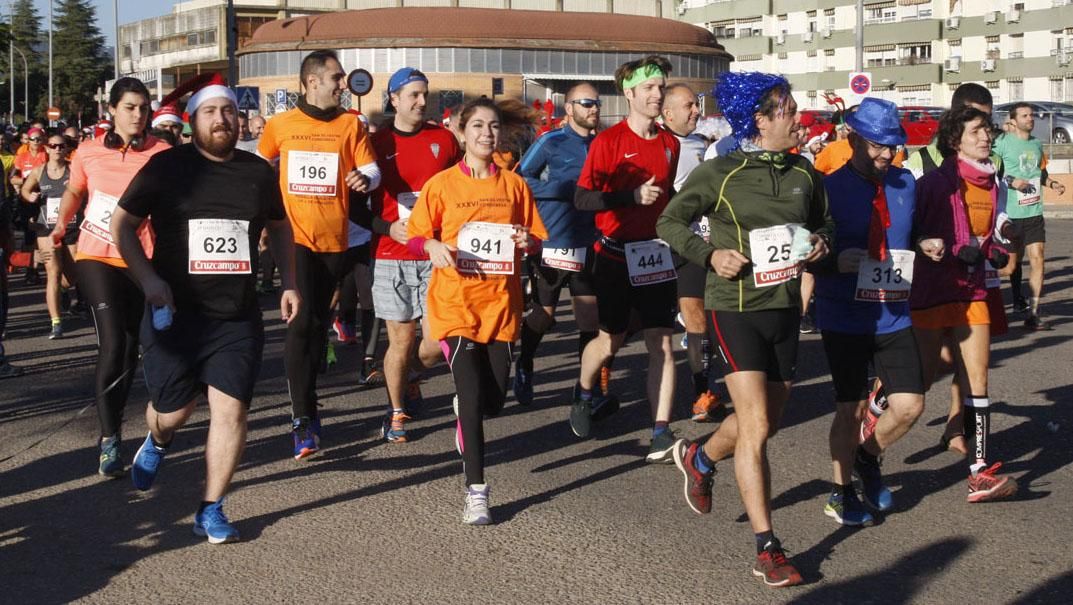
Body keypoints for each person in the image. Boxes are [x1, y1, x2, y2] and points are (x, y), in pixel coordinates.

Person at [657, 71, 833, 587]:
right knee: (755, 426)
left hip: (783, 310)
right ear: (761, 120)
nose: (799, 119)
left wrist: (820, 243)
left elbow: (825, 224)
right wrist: (711, 255)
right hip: (733, 307)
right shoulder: (723, 172)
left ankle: (699, 455)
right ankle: (768, 547)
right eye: (790, 111)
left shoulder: (805, 173)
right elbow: (669, 222)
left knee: (769, 422)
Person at [111, 75, 300, 543]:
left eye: (229, 112)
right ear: (193, 121)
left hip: (235, 317)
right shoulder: (167, 167)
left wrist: (290, 283)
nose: (222, 120)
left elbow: (279, 227)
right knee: (175, 411)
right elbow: (122, 225)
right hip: (175, 312)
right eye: (211, 113)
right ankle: (157, 438)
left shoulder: (257, 172)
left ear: (240, 120)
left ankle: (210, 507)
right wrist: (149, 280)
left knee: (231, 410)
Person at [406, 97, 547, 524]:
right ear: (462, 133)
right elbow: (416, 236)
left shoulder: (514, 186)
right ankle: (477, 491)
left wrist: (528, 243)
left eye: (494, 127)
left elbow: (536, 237)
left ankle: (467, 413)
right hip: (455, 305)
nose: (487, 134)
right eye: (479, 126)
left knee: (493, 403)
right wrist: (431, 245)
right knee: (470, 397)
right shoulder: (442, 185)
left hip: (501, 307)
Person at [257, 49, 381, 460]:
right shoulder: (281, 124)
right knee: (301, 323)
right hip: (295, 239)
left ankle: (308, 401)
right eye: (335, 77)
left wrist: (366, 177)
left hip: (336, 241)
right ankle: (302, 418)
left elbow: (372, 166)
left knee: (316, 327)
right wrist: (258, 218)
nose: (342, 84)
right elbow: (259, 167)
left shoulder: (351, 124)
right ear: (312, 82)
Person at [50, 77, 171, 476]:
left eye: (143, 108)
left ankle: (117, 428)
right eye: (130, 107)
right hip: (95, 254)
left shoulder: (162, 153)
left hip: (140, 261)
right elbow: (74, 192)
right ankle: (109, 439)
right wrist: (61, 223)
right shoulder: (87, 152)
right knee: (113, 342)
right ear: (113, 111)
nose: (138, 115)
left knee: (133, 348)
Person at [813, 98, 924, 526]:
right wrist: (831, 261)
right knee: (851, 410)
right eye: (876, 145)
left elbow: (915, 231)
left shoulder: (905, 183)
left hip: (894, 312)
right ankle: (840, 493)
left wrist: (928, 242)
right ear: (854, 138)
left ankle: (866, 456)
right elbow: (808, 252)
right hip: (845, 315)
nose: (884, 155)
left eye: (891, 147)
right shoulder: (827, 188)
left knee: (910, 405)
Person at [570, 56, 680, 463]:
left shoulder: (671, 143)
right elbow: (582, 198)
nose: (657, 94)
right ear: (629, 93)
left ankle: (660, 431)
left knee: (662, 343)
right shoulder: (608, 142)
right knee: (609, 340)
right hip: (615, 256)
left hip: (655, 255)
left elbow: (667, 198)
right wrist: (628, 198)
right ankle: (584, 393)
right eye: (649, 88)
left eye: (661, 87)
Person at [911, 105, 1018, 503]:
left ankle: (979, 472)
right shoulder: (936, 183)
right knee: (921, 379)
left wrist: (997, 247)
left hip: (972, 289)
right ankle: (879, 405)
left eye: (987, 131)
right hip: (933, 288)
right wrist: (944, 246)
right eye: (976, 131)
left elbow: (995, 224)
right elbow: (912, 230)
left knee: (979, 378)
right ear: (956, 140)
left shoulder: (994, 181)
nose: (986, 137)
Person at [368, 67, 460, 443]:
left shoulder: (444, 140)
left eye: (426, 94)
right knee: (401, 340)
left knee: (436, 340)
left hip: (436, 254)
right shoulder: (374, 142)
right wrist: (386, 228)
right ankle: (395, 412)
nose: (422, 102)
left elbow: (460, 190)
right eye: (414, 95)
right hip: (392, 253)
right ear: (394, 100)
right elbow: (356, 206)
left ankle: (410, 376)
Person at [513, 82, 602, 407]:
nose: (594, 109)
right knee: (545, 314)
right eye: (587, 103)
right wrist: (560, 188)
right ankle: (525, 361)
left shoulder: (601, 144)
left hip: (588, 241)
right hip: (552, 242)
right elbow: (520, 178)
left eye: (597, 104)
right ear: (569, 108)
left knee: (589, 318)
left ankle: (586, 386)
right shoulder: (551, 141)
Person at [661, 83, 723, 422]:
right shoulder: (658, 145)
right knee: (630, 325)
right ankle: (597, 378)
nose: (697, 111)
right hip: (656, 245)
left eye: (697, 105)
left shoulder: (704, 146)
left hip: (693, 244)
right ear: (668, 112)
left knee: (697, 316)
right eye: (689, 105)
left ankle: (702, 393)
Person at [994, 102, 1065, 329]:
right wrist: (1011, 181)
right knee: (1010, 268)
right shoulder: (1002, 143)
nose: (1030, 118)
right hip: (1011, 215)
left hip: (1034, 212)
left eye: (1032, 115)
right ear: (1013, 121)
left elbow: (1039, 171)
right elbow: (989, 170)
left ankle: (1033, 313)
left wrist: (1052, 182)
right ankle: (973, 290)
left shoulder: (1036, 144)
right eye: (1025, 115)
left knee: (1038, 259)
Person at [20, 131, 76, 339]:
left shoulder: (73, 170)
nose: (57, 149)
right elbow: (24, 191)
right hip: (46, 228)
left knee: (70, 277)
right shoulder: (38, 171)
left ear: (67, 149)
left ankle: (62, 291)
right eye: (53, 146)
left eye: (61, 146)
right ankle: (56, 322)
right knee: (53, 270)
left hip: (71, 226)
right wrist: (30, 195)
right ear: (46, 148)